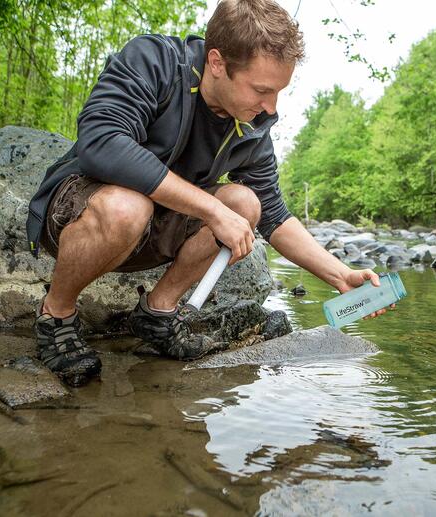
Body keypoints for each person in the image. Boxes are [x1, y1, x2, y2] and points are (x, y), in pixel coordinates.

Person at [26, 0, 390, 387]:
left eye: (279, 92)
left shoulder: (253, 124)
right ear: (217, 63)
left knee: (244, 203)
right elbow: (101, 142)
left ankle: (158, 314)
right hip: (81, 214)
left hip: (155, 226)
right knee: (127, 207)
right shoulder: (155, 61)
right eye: (262, 90)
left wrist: (340, 274)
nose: (271, 107)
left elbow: (274, 215)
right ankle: (57, 314)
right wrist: (212, 212)